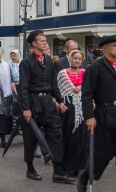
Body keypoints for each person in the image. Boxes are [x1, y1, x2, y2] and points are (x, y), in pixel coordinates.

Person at [18, 30, 75, 183]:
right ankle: (30, 168)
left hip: (48, 103)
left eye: (45, 40)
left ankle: (58, 172)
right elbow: (23, 87)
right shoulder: (26, 62)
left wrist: (60, 101)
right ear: (33, 44)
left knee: (56, 135)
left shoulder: (49, 60)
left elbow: (53, 83)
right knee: (30, 138)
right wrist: (26, 108)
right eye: (41, 40)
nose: (45, 42)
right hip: (32, 102)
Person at [78, 35, 116, 192]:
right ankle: (85, 177)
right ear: (105, 49)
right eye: (115, 45)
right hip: (105, 114)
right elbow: (86, 95)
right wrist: (89, 116)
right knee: (103, 153)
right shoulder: (95, 68)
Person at [57, 50, 88, 174]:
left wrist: (82, 87)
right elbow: (58, 91)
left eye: (80, 59)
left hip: (81, 109)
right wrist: (59, 104)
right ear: (70, 58)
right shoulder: (63, 74)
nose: (77, 61)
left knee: (80, 138)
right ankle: (66, 165)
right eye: (75, 58)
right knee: (68, 136)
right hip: (68, 107)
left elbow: (91, 88)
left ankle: (78, 166)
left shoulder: (85, 73)